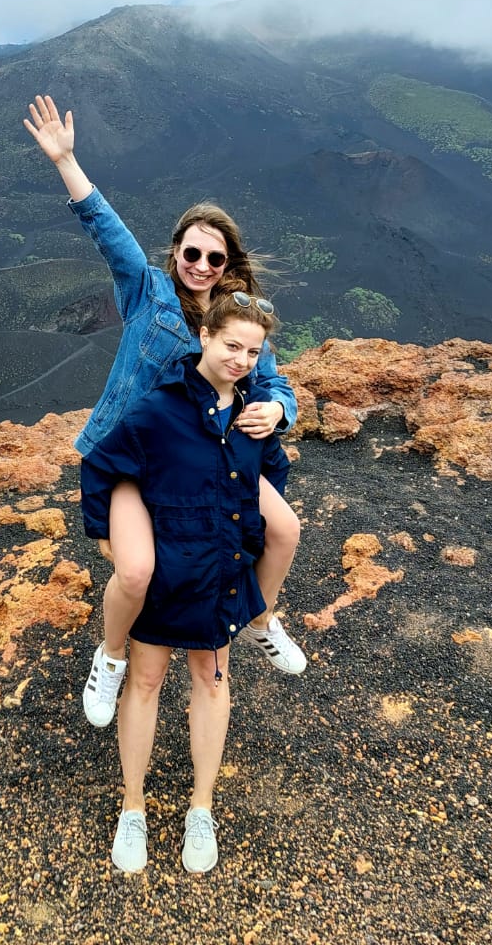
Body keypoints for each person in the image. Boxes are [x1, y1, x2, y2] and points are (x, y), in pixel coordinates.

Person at [22, 95, 306, 730]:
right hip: (135, 457)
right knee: (138, 571)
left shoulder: (238, 321)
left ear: (227, 266)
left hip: (206, 458)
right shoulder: (147, 291)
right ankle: (111, 657)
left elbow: (273, 381)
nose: (201, 266)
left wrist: (276, 412)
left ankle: (260, 619)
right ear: (175, 252)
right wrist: (66, 161)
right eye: (191, 253)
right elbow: (107, 231)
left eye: (214, 258)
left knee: (284, 529)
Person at [81, 291, 288, 871]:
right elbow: (101, 461)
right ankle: (133, 806)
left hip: (218, 574)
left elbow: (271, 473)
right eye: (232, 345)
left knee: (212, 681)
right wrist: (104, 532)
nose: (241, 359)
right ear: (205, 337)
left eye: (253, 352)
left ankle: (202, 807)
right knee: (145, 681)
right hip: (169, 570)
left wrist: (247, 537)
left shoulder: (253, 414)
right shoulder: (159, 409)